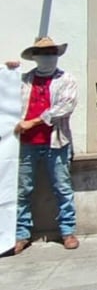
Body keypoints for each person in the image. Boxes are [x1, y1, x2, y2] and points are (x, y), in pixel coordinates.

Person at [7, 36, 80, 254]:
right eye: (44, 54)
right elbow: (5, 94)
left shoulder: (67, 79)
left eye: (52, 53)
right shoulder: (24, 80)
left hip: (56, 141)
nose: (48, 57)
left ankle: (67, 231)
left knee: (62, 187)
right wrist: (7, 71)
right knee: (22, 190)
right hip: (26, 143)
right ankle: (21, 233)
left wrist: (35, 121)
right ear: (35, 57)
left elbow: (65, 107)